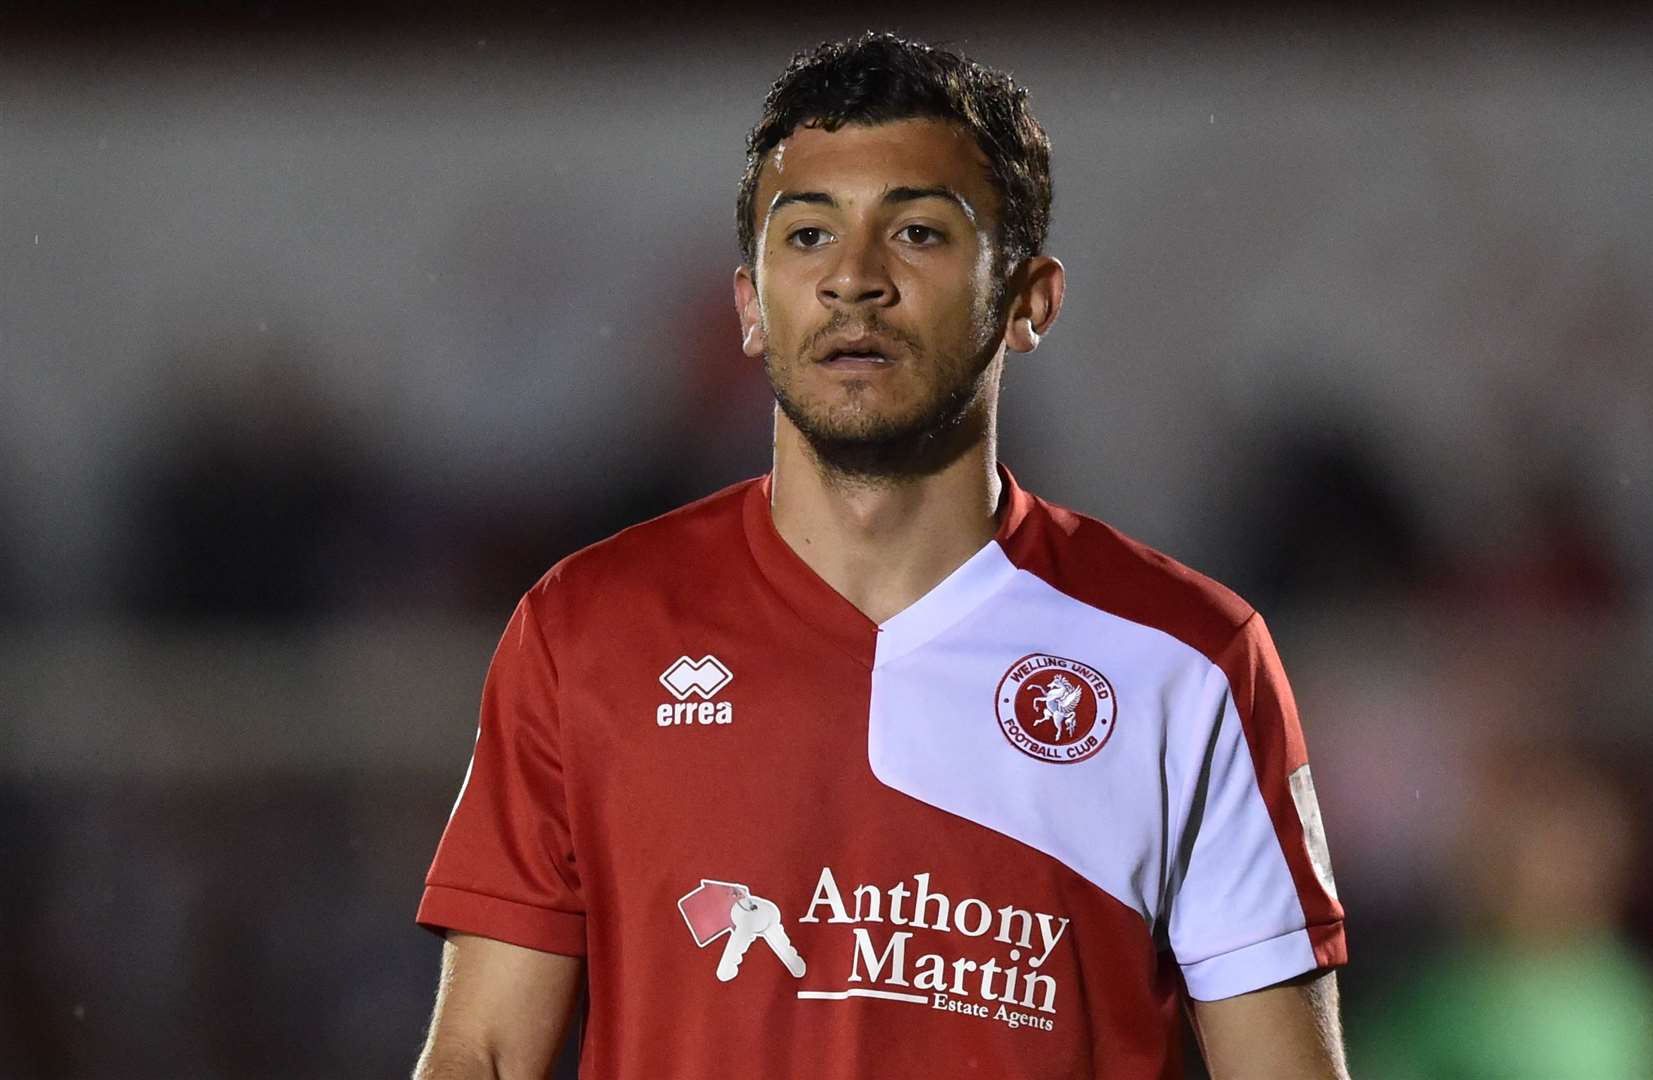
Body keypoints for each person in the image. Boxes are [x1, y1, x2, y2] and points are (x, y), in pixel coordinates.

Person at [412, 32, 1348, 1080]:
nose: (853, 279)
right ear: (747, 306)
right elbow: (483, 1053)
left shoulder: (1188, 656)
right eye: (806, 236)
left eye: (915, 231)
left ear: (1028, 301)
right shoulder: (585, 630)